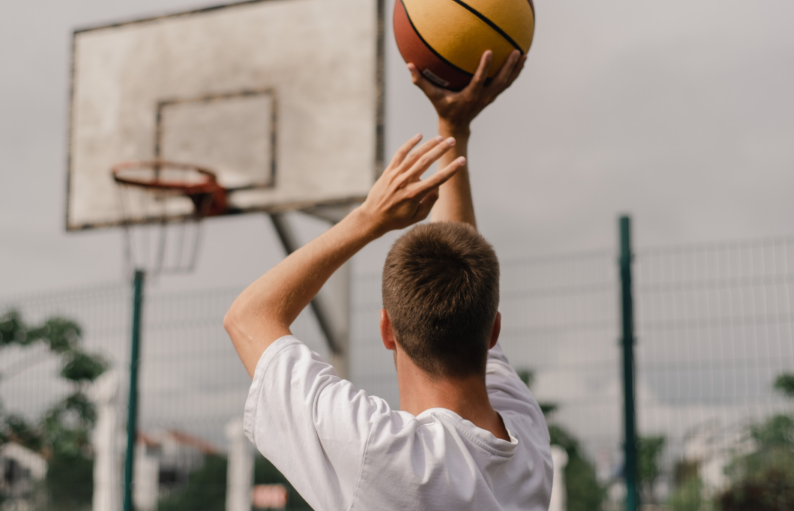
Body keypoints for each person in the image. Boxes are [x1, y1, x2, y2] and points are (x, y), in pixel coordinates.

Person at [224, 49, 553, 510]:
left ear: (386, 330)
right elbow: (464, 263)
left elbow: (248, 316)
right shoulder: (527, 438)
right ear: (492, 329)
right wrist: (453, 130)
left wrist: (368, 219)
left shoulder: (381, 454)